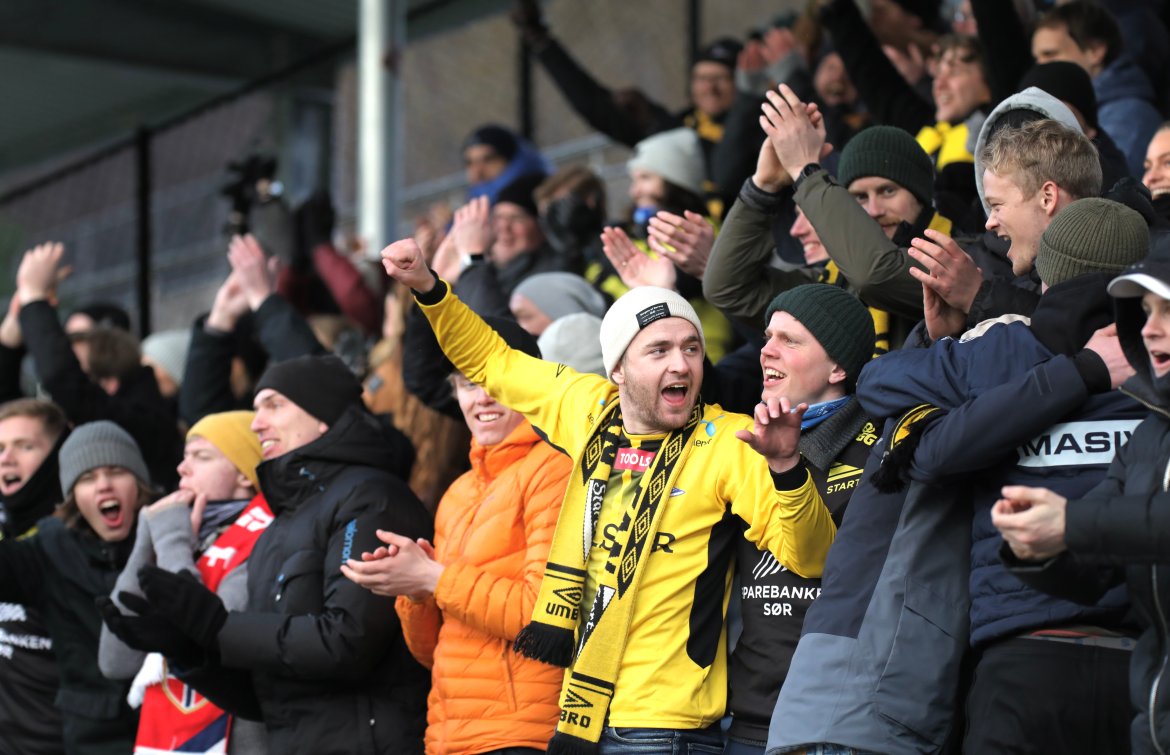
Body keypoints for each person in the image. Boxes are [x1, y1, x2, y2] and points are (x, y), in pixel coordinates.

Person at [381, 237, 838, 755]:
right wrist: (428, 287)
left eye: (691, 348)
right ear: (617, 368)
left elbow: (810, 556)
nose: (682, 365)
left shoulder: (729, 440)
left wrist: (786, 469)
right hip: (580, 719)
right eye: (659, 350)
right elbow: (492, 361)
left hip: (666, 730)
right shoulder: (588, 410)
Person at [855, 198, 1150, 753]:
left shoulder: (1005, 351)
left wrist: (948, 344)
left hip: (1023, 663)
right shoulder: (1153, 358)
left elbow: (876, 383)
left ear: (1048, 274)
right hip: (1142, 668)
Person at [102, 354, 433, 754]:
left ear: (322, 417)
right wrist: (191, 653)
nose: (257, 422)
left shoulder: (372, 497)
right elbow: (267, 699)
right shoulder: (279, 527)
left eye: (274, 405)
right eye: (256, 409)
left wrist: (219, 627)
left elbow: (347, 642)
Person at [344, 322, 572, 755]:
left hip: (521, 734)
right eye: (467, 384)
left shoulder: (554, 470)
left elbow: (544, 619)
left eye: (493, 382)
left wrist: (435, 578)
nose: (481, 397)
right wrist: (415, 590)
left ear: (531, 385)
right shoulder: (458, 491)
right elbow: (433, 652)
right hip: (446, 738)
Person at [991, 245, 1170, 755]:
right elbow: (1095, 571)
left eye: (1168, 311)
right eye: (1146, 313)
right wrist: (1034, 550)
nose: (1151, 329)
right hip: (1150, 726)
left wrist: (1070, 524)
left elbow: (1103, 523)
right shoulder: (1150, 434)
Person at [726, 284, 877, 755]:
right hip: (747, 719)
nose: (766, 349)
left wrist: (787, 464)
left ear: (838, 367)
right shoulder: (739, 442)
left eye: (791, 340)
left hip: (836, 723)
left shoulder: (881, 449)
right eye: (769, 336)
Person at [98, 410, 270, 754]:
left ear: (244, 475)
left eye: (201, 457)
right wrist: (149, 536)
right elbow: (115, 662)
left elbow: (205, 633)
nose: (183, 467)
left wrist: (172, 542)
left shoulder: (265, 539)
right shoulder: (178, 531)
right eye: (184, 455)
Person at [0, 420, 154, 753]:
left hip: (169, 728)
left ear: (139, 483)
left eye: (116, 471)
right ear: (72, 496)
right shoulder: (46, 551)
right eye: (87, 478)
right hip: (92, 738)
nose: (103, 486)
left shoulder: (172, 536)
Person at [11, 243, 183, 489]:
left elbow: (65, 382)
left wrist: (34, 298)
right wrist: (16, 323)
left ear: (108, 384)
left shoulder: (143, 424)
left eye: (77, 370)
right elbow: (8, 400)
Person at [0, 399, 68, 755]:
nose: (6, 458)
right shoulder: (5, 527)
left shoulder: (77, 540)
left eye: (24, 446)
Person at [1032, 0, 1163, 178]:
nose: (1041, 68)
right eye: (1037, 59)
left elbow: (1105, 195)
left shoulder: (1129, 117)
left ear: (1095, 50)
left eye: (1051, 54)